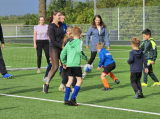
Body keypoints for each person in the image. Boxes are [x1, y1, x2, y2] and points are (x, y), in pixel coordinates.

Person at [60, 27, 88, 106]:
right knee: (80, 81)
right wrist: (85, 58)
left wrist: (64, 62)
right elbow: (79, 51)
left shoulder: (68, 43)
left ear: (72, 34)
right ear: (80, 34)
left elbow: (62, 53)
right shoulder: (79, 41)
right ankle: (72, 99)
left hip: (69, 65)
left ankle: (66, 100)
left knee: (70, 81)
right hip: (76, 65)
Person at [43, 10, 64, 93]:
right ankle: (46, 84)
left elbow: (62, 36)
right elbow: (53, 40)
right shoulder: (51, 26)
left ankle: (64, 85)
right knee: (55, 67)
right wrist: (62, 46)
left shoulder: (61, 24)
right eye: (59, 15)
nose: (60, 17)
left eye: (60, 15)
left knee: (65, 66)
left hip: (62, 48)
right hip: (53, 48)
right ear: (54, 16)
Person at [58, 26, 77, 93]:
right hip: (70, 59)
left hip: (65, 59)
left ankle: (62, 84)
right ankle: (73, 87)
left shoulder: (66, 39)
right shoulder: (71, 40)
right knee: (73, 74)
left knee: (67, 73)